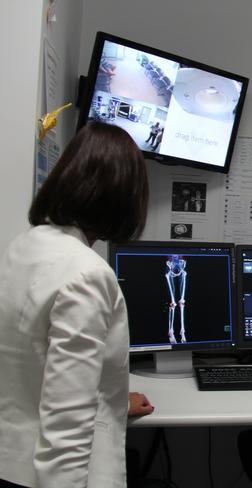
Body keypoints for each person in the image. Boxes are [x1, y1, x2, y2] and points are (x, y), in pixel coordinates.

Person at [0, 121, 153, 488]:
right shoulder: (87, 274)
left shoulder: (26, 246)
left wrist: (112, 402)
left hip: (11, 458)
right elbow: (66, 429)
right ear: (124, 198)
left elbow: (33, 364)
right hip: (49, 474)